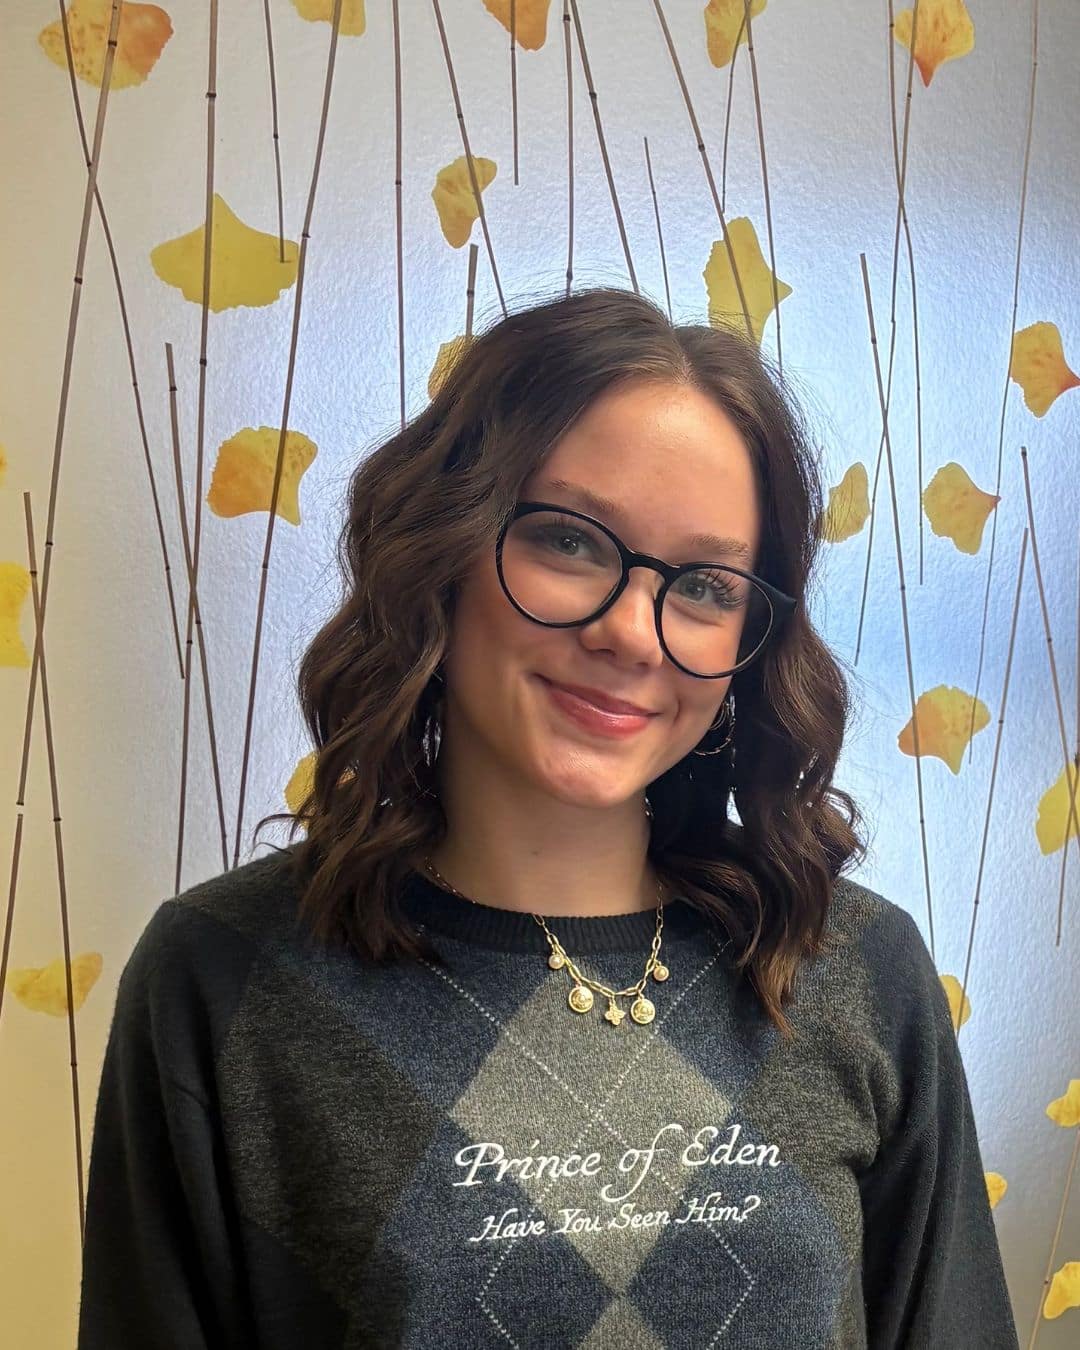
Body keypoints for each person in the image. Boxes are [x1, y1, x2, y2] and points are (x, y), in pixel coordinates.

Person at [77, 286, 1019, 1348]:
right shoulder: (222, 977)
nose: (633, 633)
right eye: (571, 541)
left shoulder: (857, 967)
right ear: (441, 550)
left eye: (707, 587)